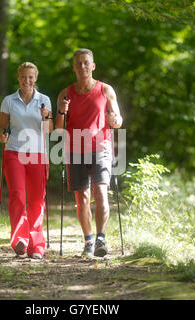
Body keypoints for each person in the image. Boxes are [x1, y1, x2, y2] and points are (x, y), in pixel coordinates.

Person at [55, 49, 123, 258]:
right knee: (82, 197)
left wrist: (115, 121)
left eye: (86, 63)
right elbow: (58, 128)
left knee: (100, 191)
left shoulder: (105, 90)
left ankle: (101, 238)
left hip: (101, 147)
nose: (82, 66)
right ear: (74, 67)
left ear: (93, 66)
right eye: (78, 64)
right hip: (75, 149)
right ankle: (88, 241)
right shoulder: (65, 94)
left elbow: (118, 120)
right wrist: (62, 111)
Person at [0, 62, 53, 259]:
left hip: (38, 154)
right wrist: (2, 135)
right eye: (23, 77)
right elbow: (1, 127)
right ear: (18, 78)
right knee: (18, 195)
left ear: (35, 78)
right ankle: (20, 239)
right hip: (14, 152)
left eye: (30, 77)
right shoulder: (9, 101)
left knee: (37, 199)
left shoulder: (44, 100)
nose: (26, 81)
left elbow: (49, 131)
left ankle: (36, 245)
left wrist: (46, 118)